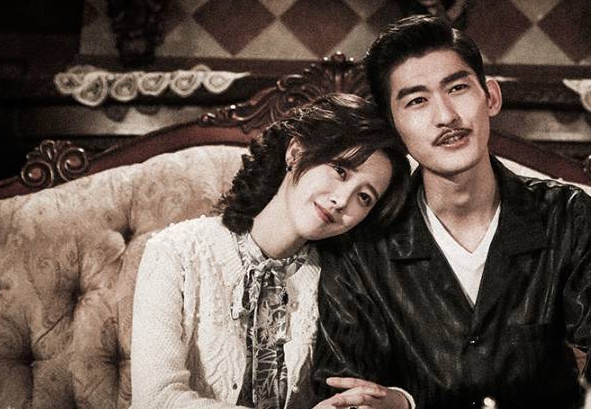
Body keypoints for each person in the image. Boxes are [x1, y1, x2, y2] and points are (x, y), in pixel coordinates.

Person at [312, 16, 591, 408]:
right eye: (417, 100)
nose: (446, 116)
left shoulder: (568, 217)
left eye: (457, 88)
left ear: (490, 97)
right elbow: (344, 389)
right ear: (392, 126)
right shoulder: (362, 243)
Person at [130, 93, 410, 409]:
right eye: (340, 170)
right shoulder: (176, 251)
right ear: (296, 152)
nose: (342, 200)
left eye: (364, 197)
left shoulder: (341, 280)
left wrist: (396, 401)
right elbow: (156, 398)